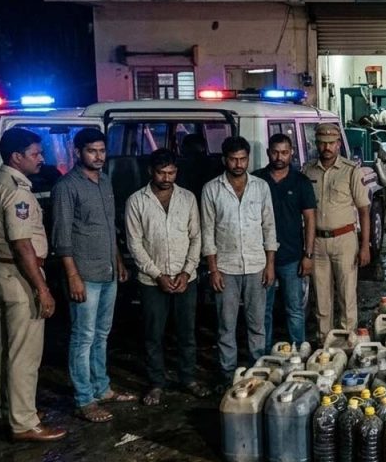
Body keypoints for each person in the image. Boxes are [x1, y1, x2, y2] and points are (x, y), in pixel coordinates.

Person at [0, 128, 66, 441]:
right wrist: (41, 288)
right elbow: (21, 244)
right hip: (18, 274)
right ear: (16, 157)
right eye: (35, 153)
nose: (41, 159)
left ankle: (8, 410)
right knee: (24, 353)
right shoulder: (16, 190)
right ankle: (25, 423)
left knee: (3, 347)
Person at [52, 127, 134, 423]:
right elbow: (62, 238)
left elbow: (109, 228)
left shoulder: (104, 182)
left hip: (108, 271)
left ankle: (102, 387)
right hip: (83, 274)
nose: (99, 156)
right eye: (92, 151)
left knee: (101, 335)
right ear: (78, 152)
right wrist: (72, 276)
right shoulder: (66, 186)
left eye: (102, 151)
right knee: (83, 337)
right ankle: (84, 399)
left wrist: (119, 262)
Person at [124, 149, 210, 406]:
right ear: (151, 171)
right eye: (161, 172)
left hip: (187, 278)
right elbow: (134, 244)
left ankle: (188, 378)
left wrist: (186, 271)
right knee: (153, 334)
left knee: (187, 333)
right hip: (151, 281)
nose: (166, 177)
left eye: (171, 172)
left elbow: (196, 237)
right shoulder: (136, 201)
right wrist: (157, 274)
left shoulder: (187, 198)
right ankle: (156, 383)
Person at [201, 136, 278, 382]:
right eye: (233, 159)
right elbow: (207, 232)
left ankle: (257, 372)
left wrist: (270, 265)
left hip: (257, 265)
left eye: (243, 159)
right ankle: (227, 375)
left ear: (248, 159)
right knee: (226, 326)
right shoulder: (212, 189)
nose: (238, 164)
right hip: (226, 267)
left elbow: (269, 227)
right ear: (225, 159)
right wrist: (213, 270)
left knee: (257, 324)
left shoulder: (260, 187)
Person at [303, 124, 371, 339]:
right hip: (317, 242)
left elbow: (364, 211)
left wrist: (365, 246)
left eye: (331, 143)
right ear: (317, 144)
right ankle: (325, 344)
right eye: (323, 143)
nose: (327, 147)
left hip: (344, 240)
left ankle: (348, 343)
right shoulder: (308, 170)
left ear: (339, 145)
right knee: (321, 298)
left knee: (346, 295)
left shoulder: (351, 170)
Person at [253, 133, 316, 349]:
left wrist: (308, 255)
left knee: (295, 309)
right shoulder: (256, 180)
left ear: (292, 154)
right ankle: (264, 356)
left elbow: (310, 219)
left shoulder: (301, 182)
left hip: (292, 255)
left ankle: (298, 352)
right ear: (268, 152)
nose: (279, 156)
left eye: (284, 152)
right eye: (275, 152)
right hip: (260, 257)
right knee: (263, 310)